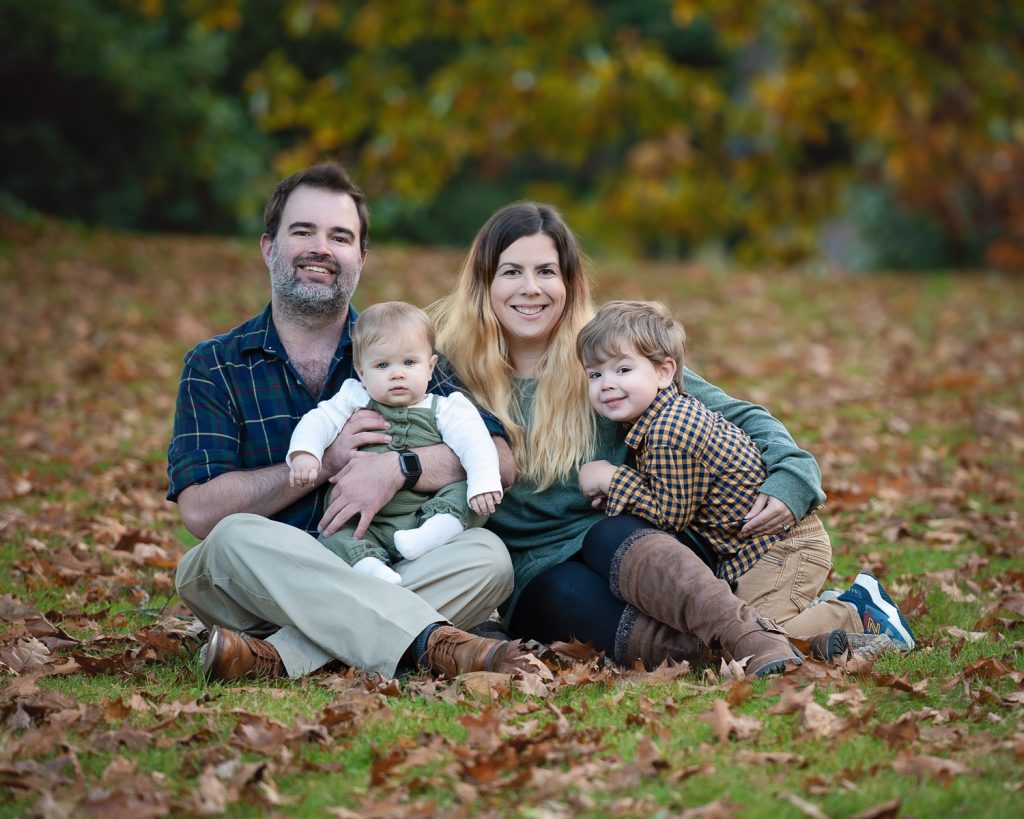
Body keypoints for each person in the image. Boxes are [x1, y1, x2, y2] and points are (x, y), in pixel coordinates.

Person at [430, 201, 851, 677]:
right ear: (484, 281)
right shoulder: (448, 373)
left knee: (608, 530)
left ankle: (750, 636)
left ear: (569, 282)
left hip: (643, 546)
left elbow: (739, 415)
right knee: (569, 610)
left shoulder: (606, 354)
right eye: (511, 272)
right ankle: (832, 626)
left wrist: (794, 477)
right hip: (534, 569)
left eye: (546, 271)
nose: (531, 288)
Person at [168, 162, 531, 683]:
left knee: (488, 556)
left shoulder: (405, 350)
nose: (321, 248)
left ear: (360, 258)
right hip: (263, 582)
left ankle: (276, 657)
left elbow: (498, 459)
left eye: (340, 237)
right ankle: (430, 640)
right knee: (227, 542)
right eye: (303, 232)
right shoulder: (215, 365)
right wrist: (326, 463)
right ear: (269, 248)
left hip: (386, 560)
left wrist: (399, 468)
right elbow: (201, 511)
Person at [574, 300, 914, 654]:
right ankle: (823, 614)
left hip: (781, 548)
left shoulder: (668, 430)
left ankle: (856, 612)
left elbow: (668, 517)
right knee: (744, 626)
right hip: (754, 553)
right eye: (595, 375)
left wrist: (613, 479)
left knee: (757, 632)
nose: (606, 385)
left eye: (623, 370)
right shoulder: (664, 415)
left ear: (664, 372)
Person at [287, 300, 503, 585]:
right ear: (361, 372)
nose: (397, 373)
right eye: (382, 365)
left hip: (425, 511)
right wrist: (305, 453)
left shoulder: (447, 408)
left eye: (409, 362)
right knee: (332, 533)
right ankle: (370, 566)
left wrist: (484, 482)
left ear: (430, 367)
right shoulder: (354, 398)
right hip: (365, 520)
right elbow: (319, 421)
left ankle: (435, 532)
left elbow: (476, 443)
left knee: (469, 496)